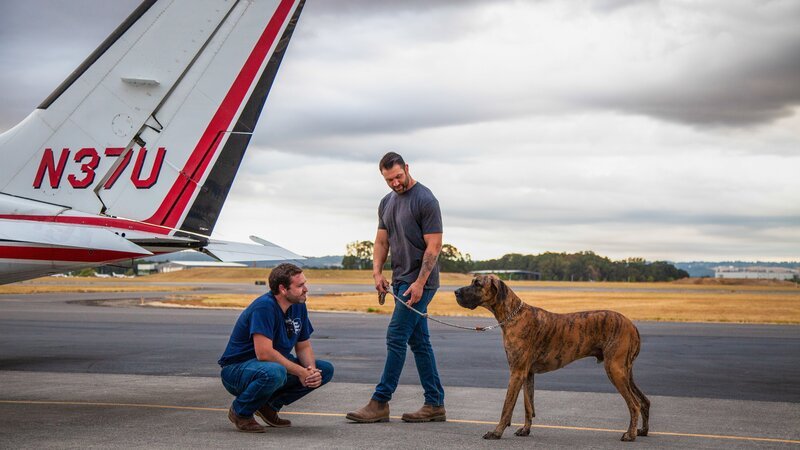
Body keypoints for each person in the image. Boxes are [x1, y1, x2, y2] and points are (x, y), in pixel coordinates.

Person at [346, 151, 446, 423]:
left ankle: (380, 401)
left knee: (396, 336)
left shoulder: (426, 199)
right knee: (419, 342)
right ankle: (435, 403)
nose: (395, 183)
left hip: (420, 283)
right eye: (389, 179)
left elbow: (434, 246)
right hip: (401, 280)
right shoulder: (386, 202)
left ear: (407, 168)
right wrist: (377, 273)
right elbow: (381, 241)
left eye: (398, 176)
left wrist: (419, 284)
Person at [218, 263, 333, 432]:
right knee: (275, 372)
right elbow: (264, 353)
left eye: (304, 284)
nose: (306, 289)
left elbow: (303, 346)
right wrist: (300, 372)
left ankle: (269, 406)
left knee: (325, 370)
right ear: (283, 289)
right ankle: (240, 412)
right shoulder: (264, 307)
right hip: (237, 370)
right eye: (300, 285)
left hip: (269, 367)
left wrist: (310, 371)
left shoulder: (298, 306)